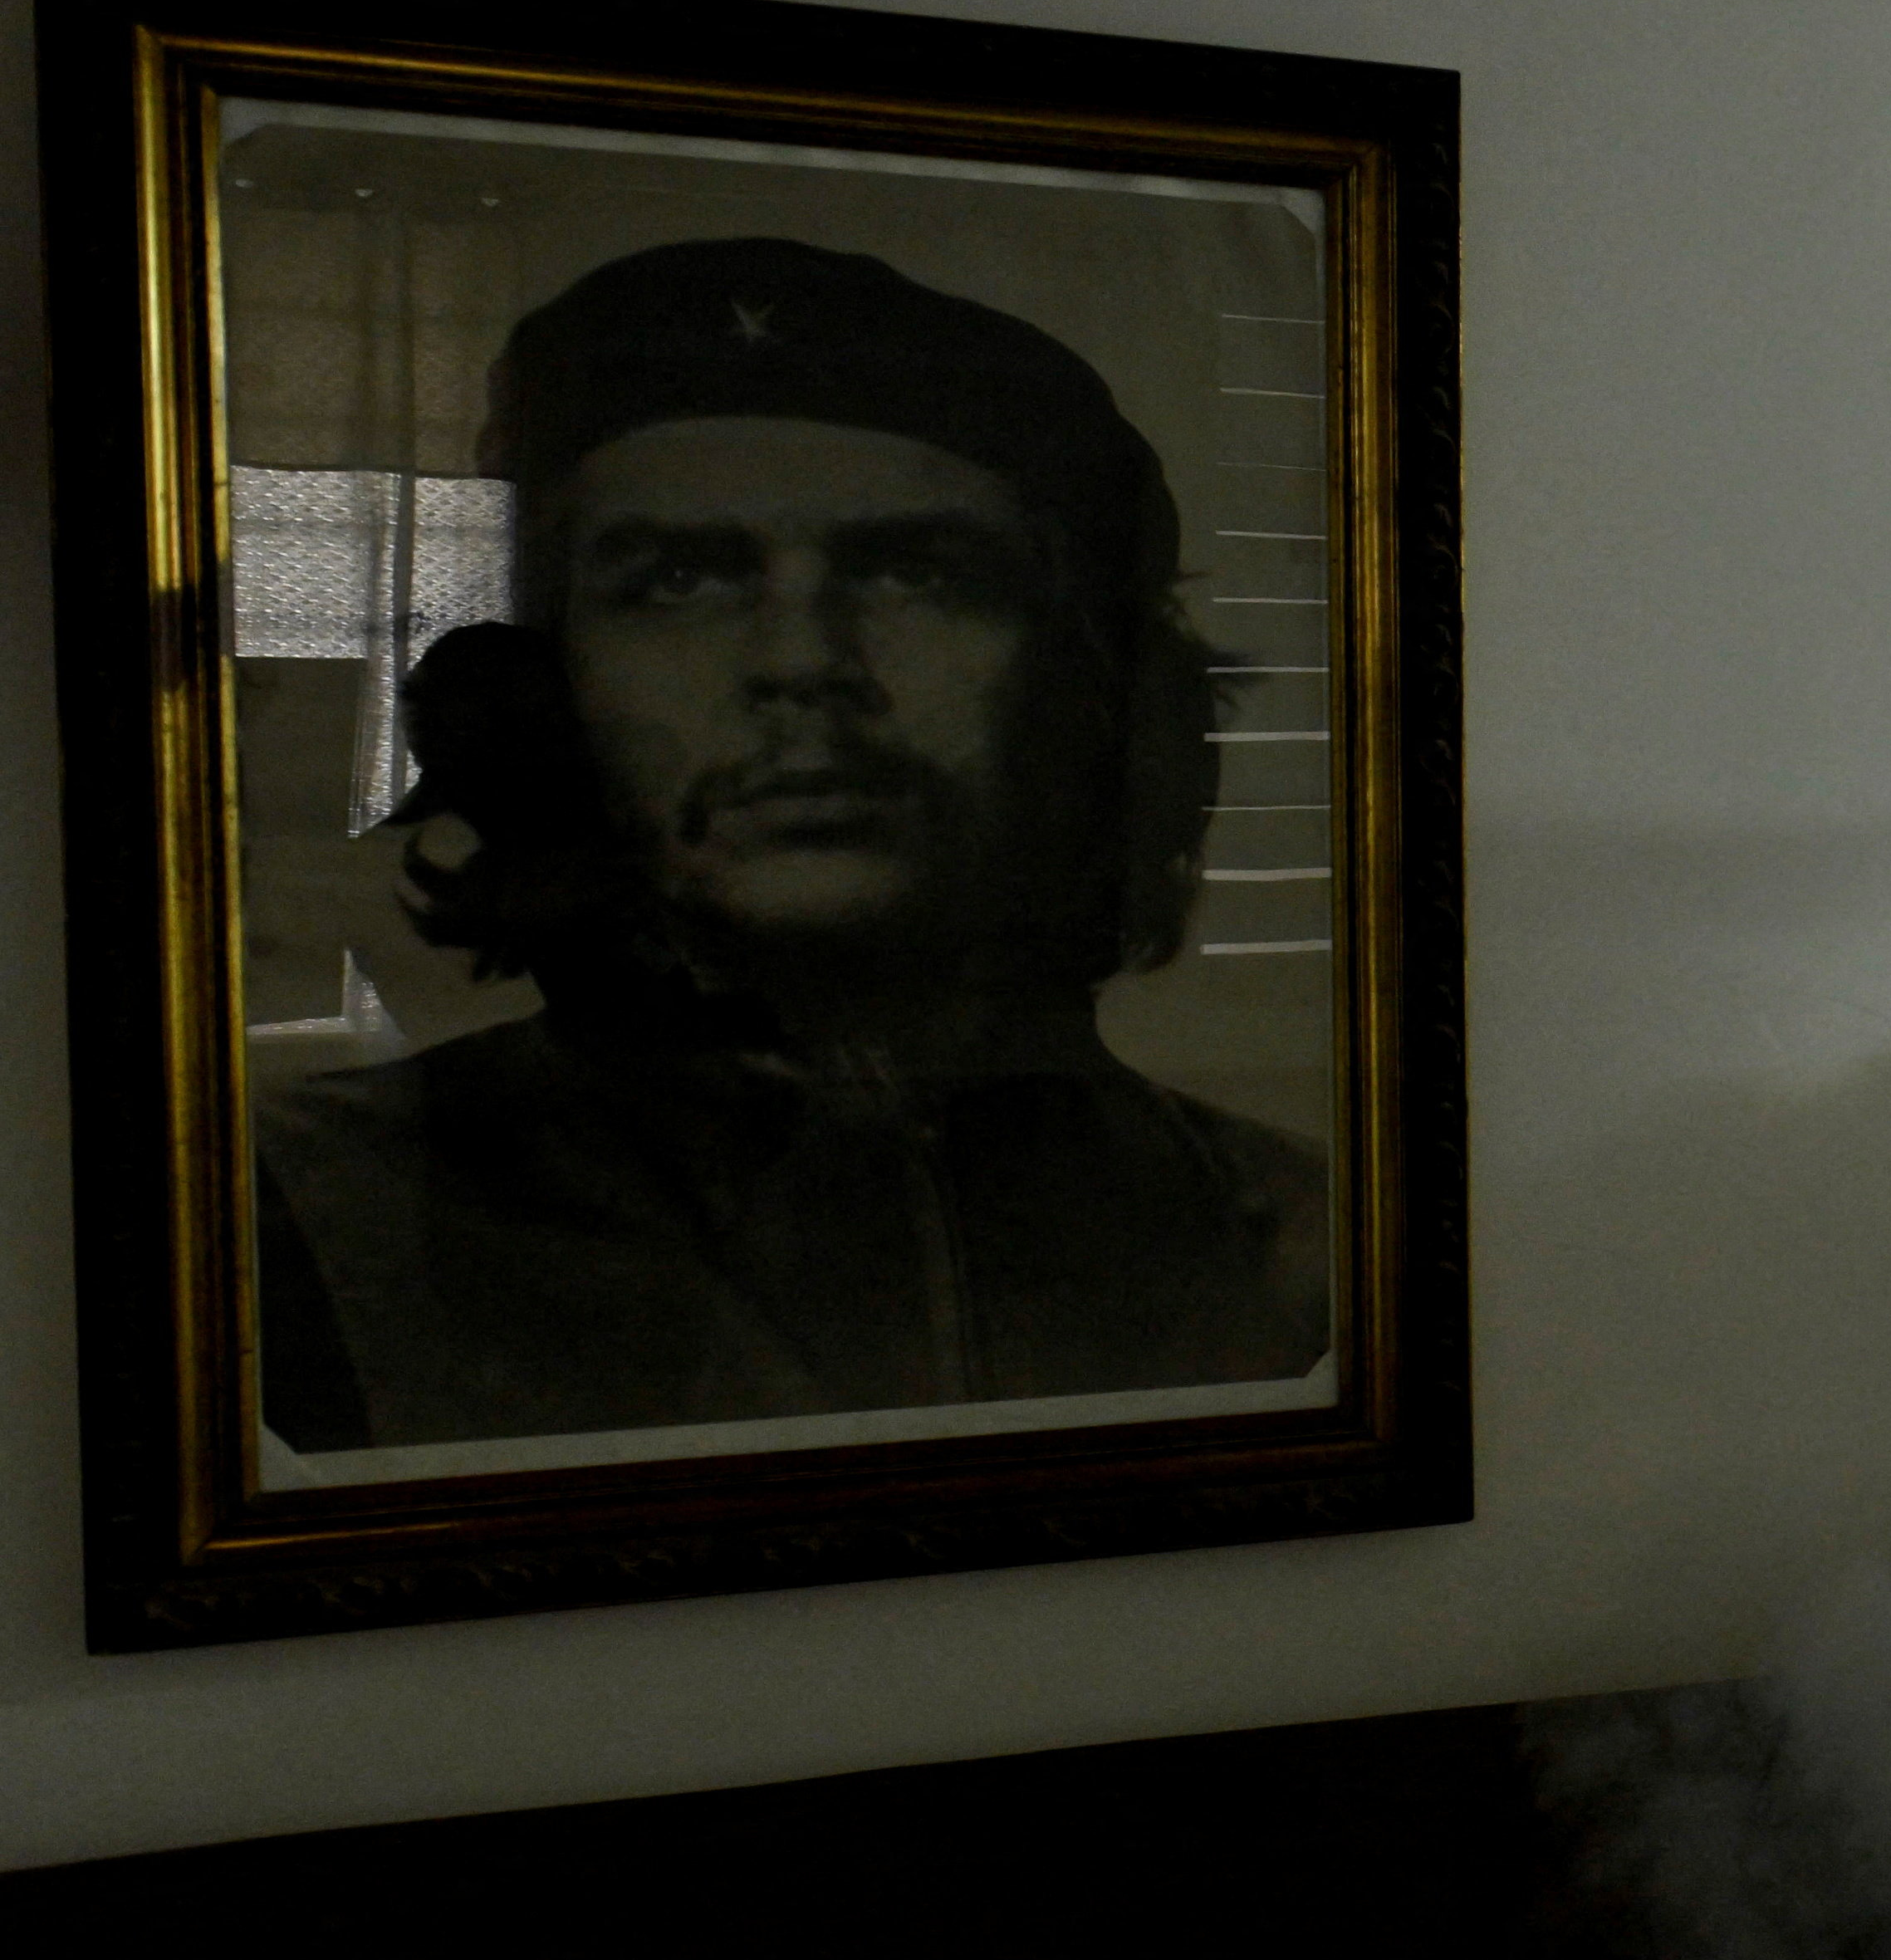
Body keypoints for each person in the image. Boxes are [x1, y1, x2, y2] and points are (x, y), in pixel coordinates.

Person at [249, 235, 1330, 1452]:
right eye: (679, 581)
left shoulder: (1298, 1236)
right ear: (552, 689)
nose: (804, 665)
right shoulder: (307, 1217)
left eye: (917, 575)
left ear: (1085, 688)